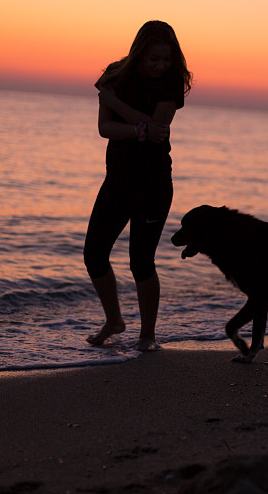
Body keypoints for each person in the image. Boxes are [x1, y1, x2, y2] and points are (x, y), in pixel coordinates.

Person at [84, 21, 192, 351]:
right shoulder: (115, 74)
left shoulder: (172, 82)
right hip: (117, 179)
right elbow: (105, 129)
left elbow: (158, 128)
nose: (161, 66)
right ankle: (114, 320)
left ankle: (148, 335)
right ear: (139, 53)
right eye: (154, 59)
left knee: (140, 261)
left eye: (166, 59)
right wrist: (139, 131)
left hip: (154, 184)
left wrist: (114, 102)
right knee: (94, 255)